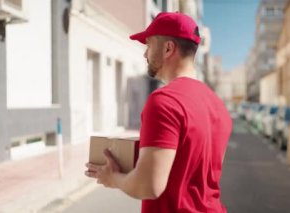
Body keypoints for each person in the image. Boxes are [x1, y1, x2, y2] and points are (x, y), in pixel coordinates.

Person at [85, 12, 232, 213]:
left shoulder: (164, 101)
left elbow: (149, 186)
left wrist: (113, 178)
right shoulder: (218, 105)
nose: (145, 54)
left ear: (168, 48)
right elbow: (198, 171)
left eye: (149, 45)